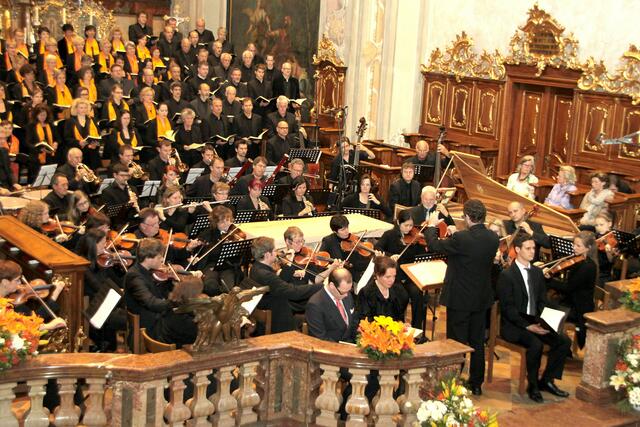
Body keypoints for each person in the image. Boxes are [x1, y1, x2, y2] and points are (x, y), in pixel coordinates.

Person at [424, 199, 499, 395]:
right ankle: (476, 383)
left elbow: (434, 245)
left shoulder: (462, 239)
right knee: (477, 341)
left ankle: (452, 382)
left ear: (466, 217)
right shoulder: (492, 237)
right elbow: (470, 246)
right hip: (481, 297)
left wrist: (432, 226)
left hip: (460, 298)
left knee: (455, 342)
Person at [497, 232, 572, 403]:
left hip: (536, 321)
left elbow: (541, 301)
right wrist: (527, 326)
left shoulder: (537, 273)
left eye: (534, 248)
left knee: (564, 341)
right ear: (517, 249)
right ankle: (533, 386)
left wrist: (550, 320)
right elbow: (508, 309)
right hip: (514, 325)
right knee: (536, 344)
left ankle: (547, 380)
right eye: (528, 248)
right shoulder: (507, 275)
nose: (532, 252)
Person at [249, 236, 322, 333]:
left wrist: (288, 263)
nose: (277, 253)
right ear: (267, 254)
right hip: (278, 315)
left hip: (272, 304)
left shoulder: (255, 268)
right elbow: (293, 292)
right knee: (314, 301)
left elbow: (279, 283)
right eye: (275, 251)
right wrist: (320, 286)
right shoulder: (265, 274)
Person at [75, 228, 126, 352]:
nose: (106, 245)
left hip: (109, 305)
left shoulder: (103, 260)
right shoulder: (83, 265)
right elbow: (98, 287)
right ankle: (106, 345)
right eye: (103, 242)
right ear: (94, 245)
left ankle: (116, 344)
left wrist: (120, 267)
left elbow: (119, 282)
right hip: (95, 311)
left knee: (132, 314)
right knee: (127, 319)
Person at [545, 231, 598, 349]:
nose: (574, 247)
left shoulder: (588, 266)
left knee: (548, 309)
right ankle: (557, 342)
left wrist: (549, 281)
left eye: (578, 246)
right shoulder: (579, 260)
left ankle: (558, 344)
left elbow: (568, 288)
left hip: (579, 307)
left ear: (588, 248)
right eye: (574, 244)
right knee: (548, 304)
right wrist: (551, 272)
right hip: (571, 299)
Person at [375, 209, 427, 329]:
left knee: (418, 294)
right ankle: (399, 325)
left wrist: (424, 246)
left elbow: (419, 256)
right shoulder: (389, 235)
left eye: (411, 225)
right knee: (401, 296)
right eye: (406, 225)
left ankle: (417, 328)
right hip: (394, 277)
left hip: (409, 275)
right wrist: (389, 256)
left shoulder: (415, 237)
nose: (409, 228)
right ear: (398, 222)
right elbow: (378, 248)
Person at [0, 259, 66, 331]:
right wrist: (47, 326)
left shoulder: (8, 300)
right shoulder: (3, 308)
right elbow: (18, 329)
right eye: (17, 280)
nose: (20, 283)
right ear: (5, 282)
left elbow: (30, 319)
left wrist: (55, 293)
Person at [124, 238, 174, 332]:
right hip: (148, 324)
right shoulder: (134, 276)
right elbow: (151, 303)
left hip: (153, 317)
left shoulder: (147, 271)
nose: (162, 260)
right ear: (148, 258)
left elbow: (158, 293)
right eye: (159, 257)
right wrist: (174, 302)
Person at [320, 214, 379, 283]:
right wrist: (331, 266)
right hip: (343, 274)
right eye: (343, 230)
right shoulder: (328, 241)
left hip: (359, 269)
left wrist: (375, 254)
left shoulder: (353, 238)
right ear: (335, 231)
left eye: (347, 227)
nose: (347, 231)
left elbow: (365, 252)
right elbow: (322, 258)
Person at [306, 267, 358, 342]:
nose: (346, 295)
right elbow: (320, 339)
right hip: (332, 348)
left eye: (349, 290)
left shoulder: (346, 294)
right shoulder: (315, 305)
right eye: (343, 292)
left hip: (351, 344)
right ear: (332, 285)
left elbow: (353, 322)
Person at [149, 275, 202, 348]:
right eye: (200, 293)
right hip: (176, 352)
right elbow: (200, 334)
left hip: (170, 341)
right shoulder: (181, 317)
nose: (201, 295)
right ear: (192, 295)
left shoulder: (172, 303)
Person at [357, 256, 409, 323]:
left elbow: (400, 317)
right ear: (377, 275)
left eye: (394, 276)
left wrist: (401, 324)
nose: (392, 280)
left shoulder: (399, 290)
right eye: (388, 277)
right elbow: (365, 321)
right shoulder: (366, 293)